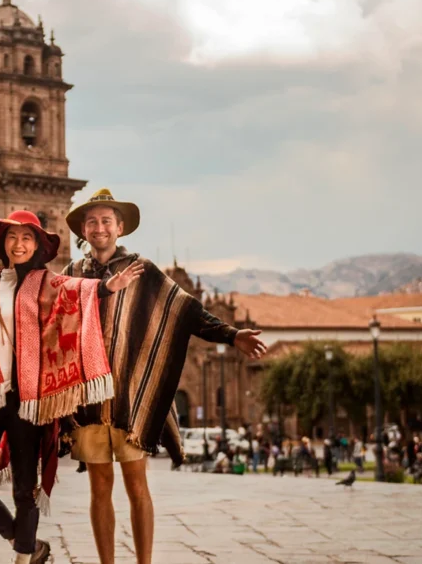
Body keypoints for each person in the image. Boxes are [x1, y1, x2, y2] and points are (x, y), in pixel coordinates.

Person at [60, 189, 267, 564]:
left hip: (134, 398)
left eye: (107, 220)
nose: (99, 227)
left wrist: (232, 335)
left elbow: (186, 310)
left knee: (137, 485)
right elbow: (54, 319)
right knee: (99, 488)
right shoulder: (72, 274)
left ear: (120, 227)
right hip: (88, 400)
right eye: (92, 221)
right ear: (83, 230)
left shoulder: (143, 271)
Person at [0, 209, 139, 564]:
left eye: (26, 238)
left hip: (28, 399)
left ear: (36, 246)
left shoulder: (46, 282)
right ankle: (27, 543)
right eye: (12, 237)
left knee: (25, 487)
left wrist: (106, 287)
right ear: (2, 244)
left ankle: (24, 558)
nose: (18, 244)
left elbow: (74, 291)